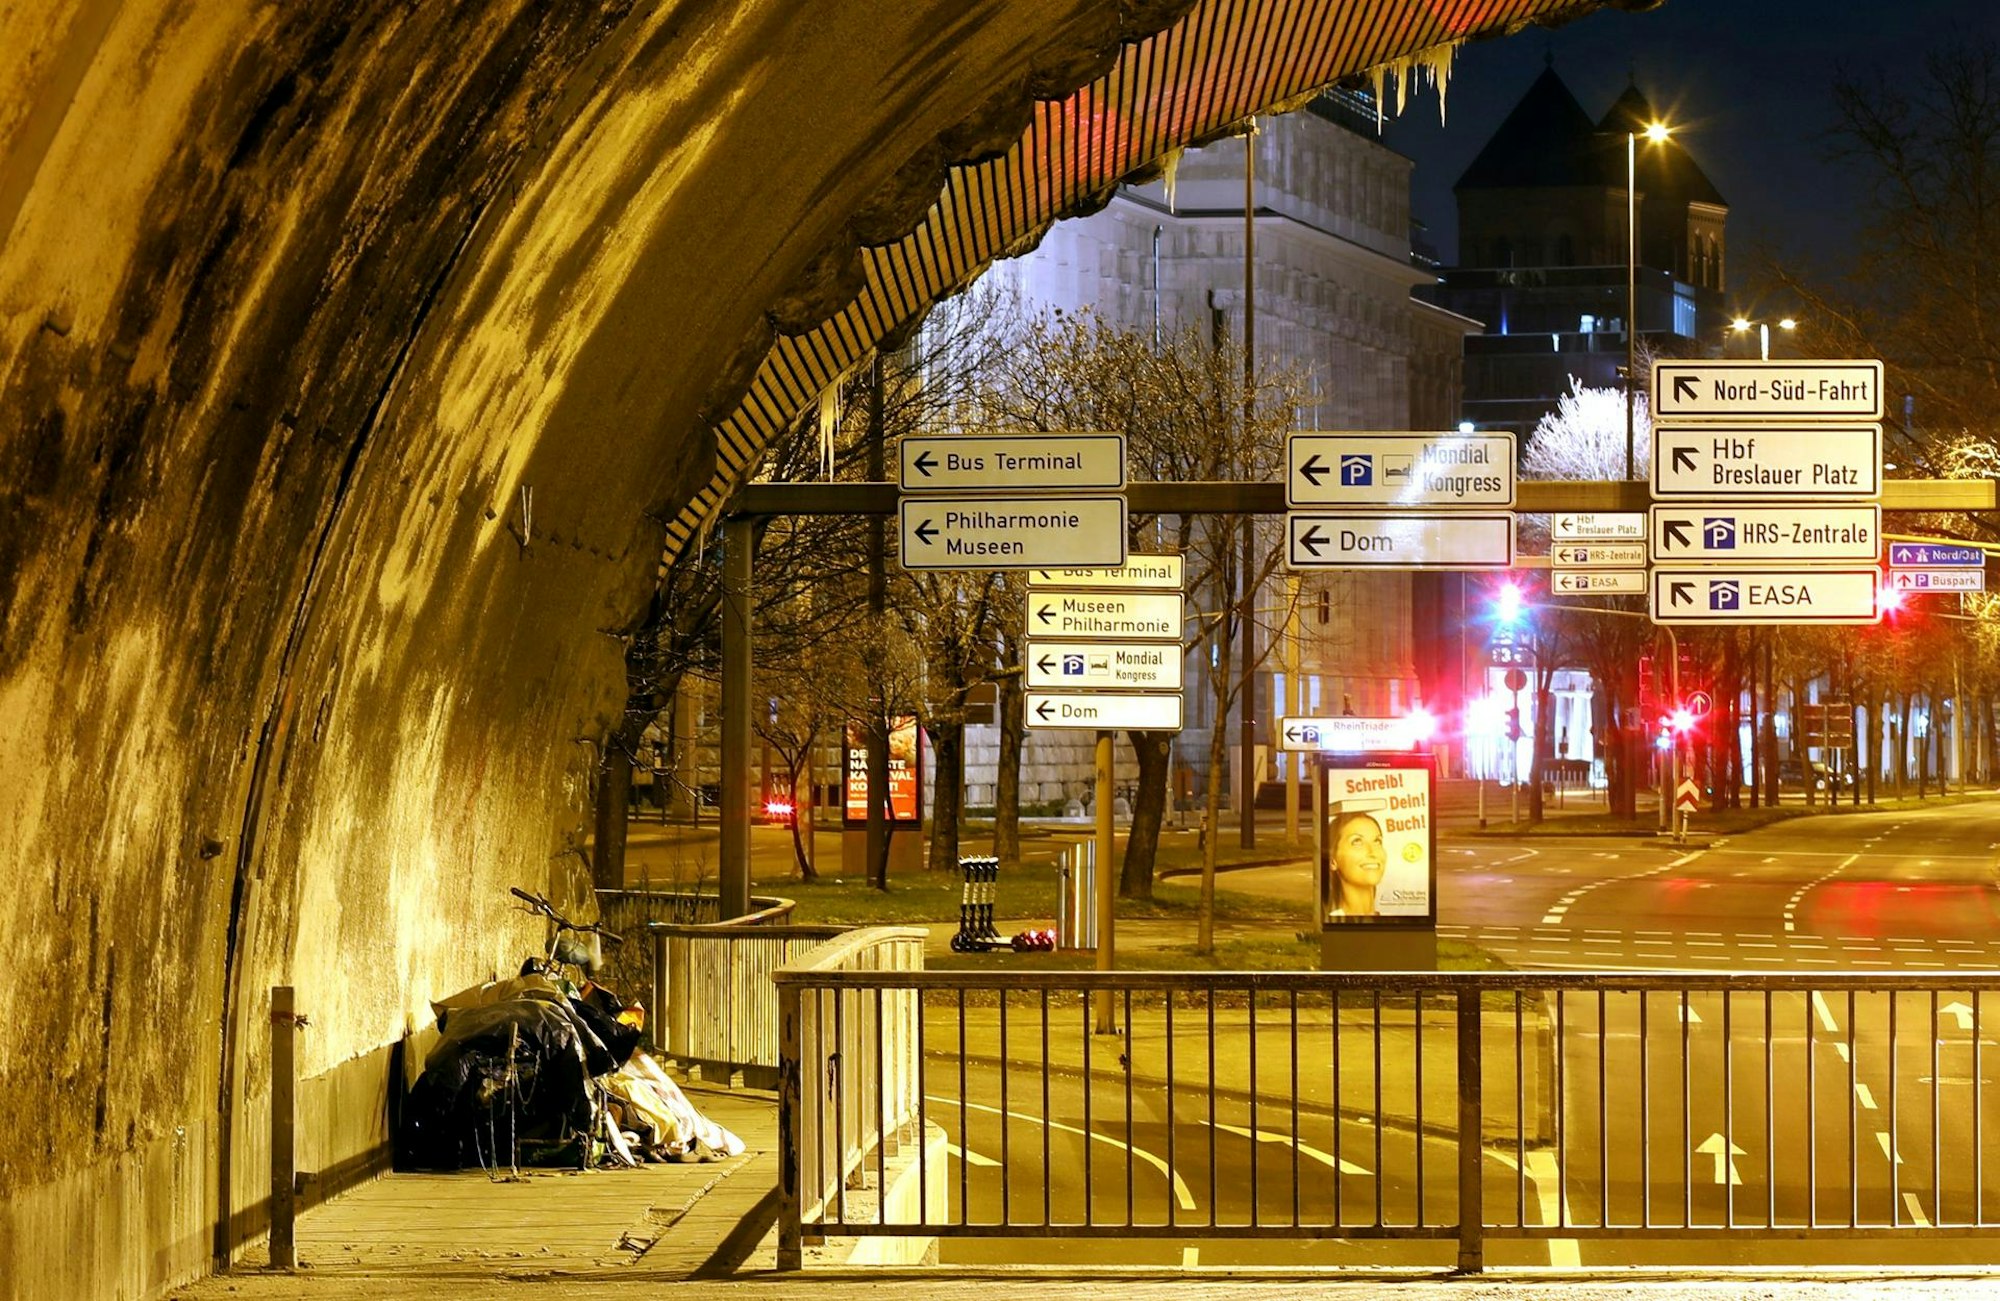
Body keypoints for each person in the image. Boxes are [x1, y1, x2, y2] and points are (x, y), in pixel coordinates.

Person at [1326, 809, 1387, 918]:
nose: (1373, 852)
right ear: (1332, 861)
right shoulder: (1330, 923)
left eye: (1377, 841)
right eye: (1357, 841)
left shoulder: (1398, 922)